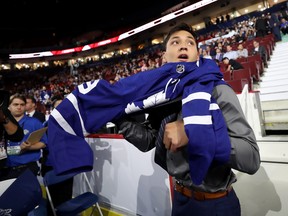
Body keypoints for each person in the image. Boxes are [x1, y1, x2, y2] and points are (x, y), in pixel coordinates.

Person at [116, 23, 260, 216]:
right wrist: (116, 117)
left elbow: (251, 158)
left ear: (197, 55)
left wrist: (195, 133)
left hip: (216, 204)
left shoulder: (218, 90)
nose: (183, 46)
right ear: (165, 57)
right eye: (175, 42)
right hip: (180, 200)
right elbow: (150, 140)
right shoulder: (161, 97)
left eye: (190, 43)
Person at [0, 94, 47, 181]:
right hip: (6, 169)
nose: (19, 107)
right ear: (8, 107)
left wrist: (30, 147)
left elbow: (43, 143)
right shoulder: (3, 123)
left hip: (28, 167)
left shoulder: (35, 122)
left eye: (22, 105)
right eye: (16, 104)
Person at [41, 96, 74, 216]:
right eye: (58, 106)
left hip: (68, 165)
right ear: (53, 109)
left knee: (66, 198)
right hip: (52, 166)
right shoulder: (46, 124)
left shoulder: (72, 124)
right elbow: (46, 145)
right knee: (53, 202)